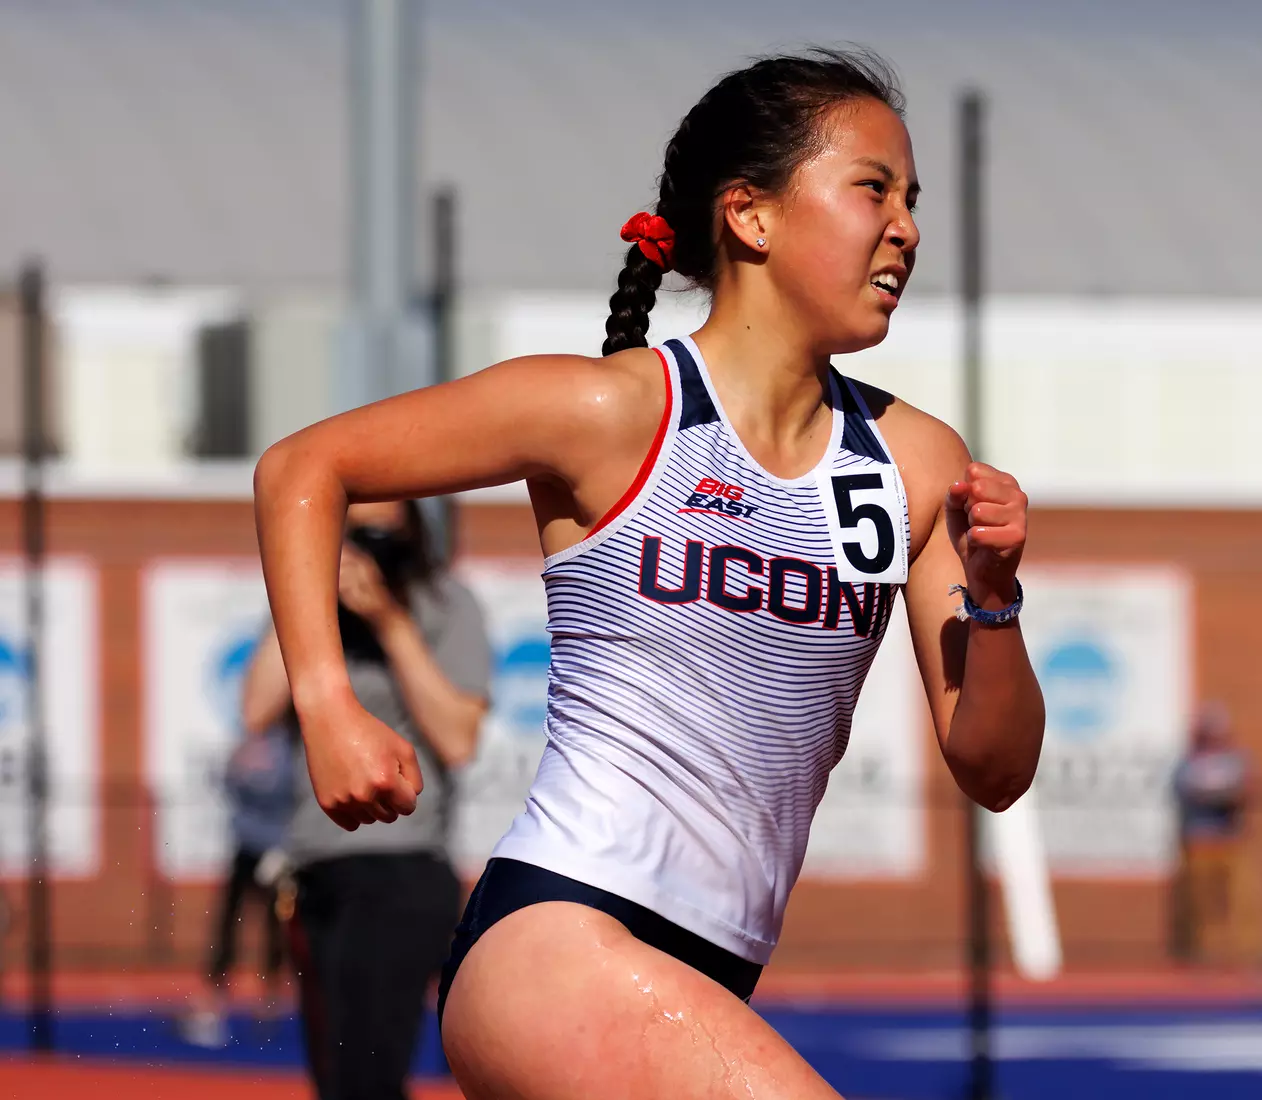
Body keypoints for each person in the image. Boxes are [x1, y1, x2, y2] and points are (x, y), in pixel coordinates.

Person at [253, 47, 1045, 1099]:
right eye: (871, 189)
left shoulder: (915, 461)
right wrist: (326, 701)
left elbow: (995, 768)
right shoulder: (618, 410)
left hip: (712, 971)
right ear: (750, 215)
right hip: (557, 939)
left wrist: (995, 600)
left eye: (912, 199)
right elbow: (305, 465)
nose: (904, 226)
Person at [242, 498, 491, 1100]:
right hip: (316, 868)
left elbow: (458, 739)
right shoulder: (308, 612)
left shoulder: (443, 602)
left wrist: (388, 621)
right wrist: (306, 594)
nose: (368, 546)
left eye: (383, 531)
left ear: (413, 530)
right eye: (353, 532)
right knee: (333, 1081)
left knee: (368, 1081)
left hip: (400, 867)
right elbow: (256, 709)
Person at [179, 722, 296, 1048]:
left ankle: (269, 1004)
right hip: (245, 847)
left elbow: (289, 789)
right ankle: (212, 1001)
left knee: (276, 930)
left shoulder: (293, 745)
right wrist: (242, 768)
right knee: (228, 924)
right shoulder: (251, 742)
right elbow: (228, 780)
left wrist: (258, 778)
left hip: (277, 851)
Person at [1173, 701, 1260, 967]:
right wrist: (1219, 792)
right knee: (1201, 903)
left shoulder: (1236, 759)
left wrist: (1218, 792)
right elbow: (1186, 790)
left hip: (1230, 840)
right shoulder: (1188, 761)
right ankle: (1203, 956)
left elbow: (1244, 789)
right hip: (1200, 841)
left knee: (1244, 900)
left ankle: (1249, 955)